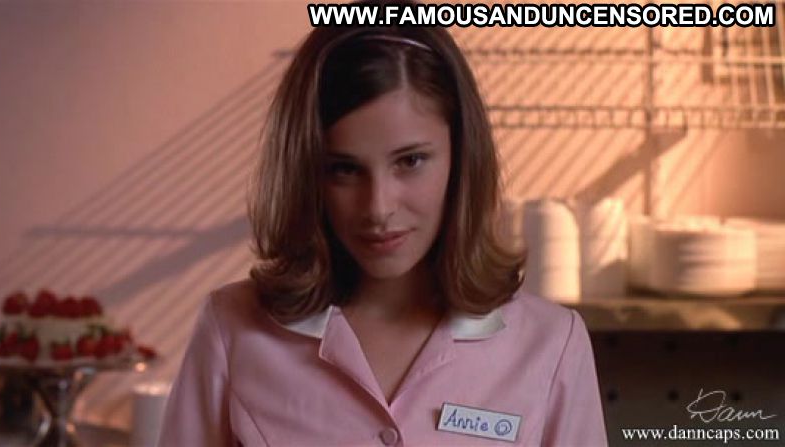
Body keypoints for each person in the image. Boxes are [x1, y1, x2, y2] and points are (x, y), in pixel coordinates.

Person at [158, 1, 607, 445]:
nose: (377, 207)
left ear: (461, 156)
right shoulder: (232, 331)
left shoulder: (551, 346)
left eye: (410, 161)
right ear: (306, 173)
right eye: (344, 169)